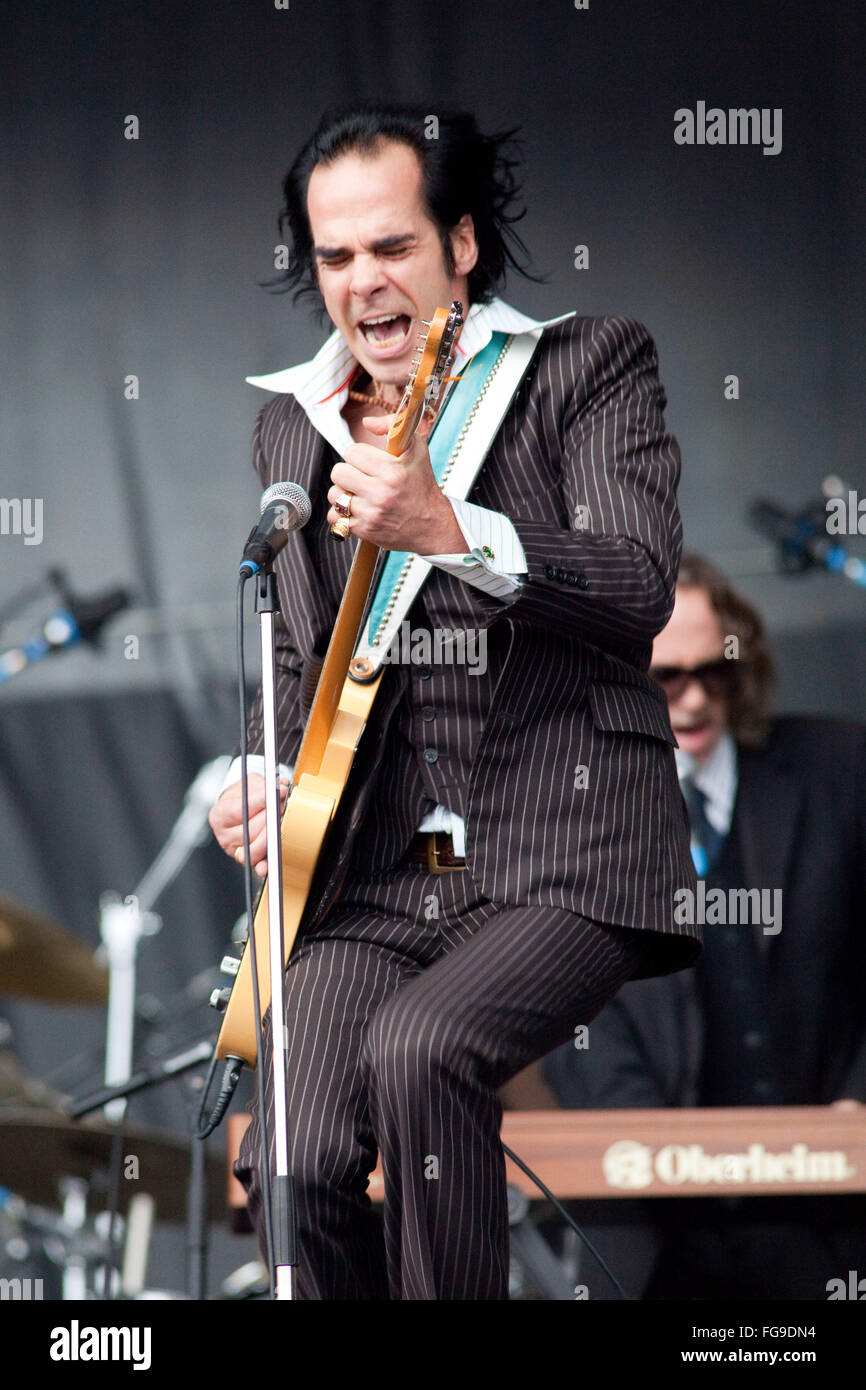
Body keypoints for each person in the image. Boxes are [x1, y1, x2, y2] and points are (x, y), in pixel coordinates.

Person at [208, 101, 699, 1300]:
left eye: (392, 247)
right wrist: (258, 777)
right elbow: (294, 657)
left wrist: (453, 529)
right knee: (291, 1158)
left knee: (424, 1049)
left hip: (561, 849)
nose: (362, 281)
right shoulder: (292, 422)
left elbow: (636, 583)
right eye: (334, 257)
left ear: (461, 245)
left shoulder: (584, 363)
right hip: (373, 870)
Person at [544, 552, 866, 1299]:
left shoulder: (839, 767)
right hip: (654, 1227)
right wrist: (654, 1151)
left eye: (712, 673)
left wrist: (857, 1097)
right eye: (666, 678)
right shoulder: (568, 811)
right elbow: (556, 1003)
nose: (692, 700)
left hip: (830, 1211)